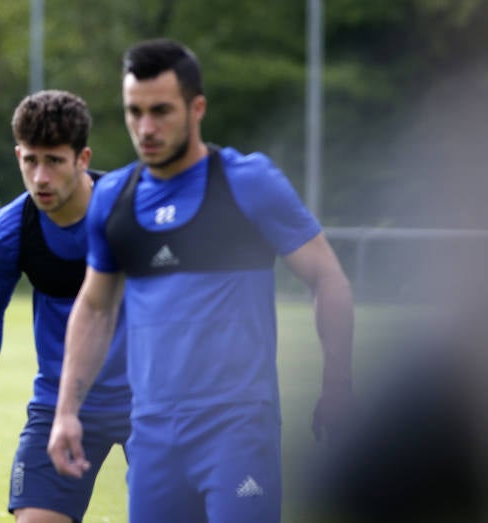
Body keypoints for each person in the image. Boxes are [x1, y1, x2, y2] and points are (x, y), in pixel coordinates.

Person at [47, 38, 355, 523]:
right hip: (150, 436)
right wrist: (67, 410)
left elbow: (327, 277)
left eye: (161, 111)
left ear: (197, 108)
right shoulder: (112, 199)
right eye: (134, 112)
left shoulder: (248, 183)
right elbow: (96, 308)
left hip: (238, 429)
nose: (145, 128)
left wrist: (338, 384)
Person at [0, 90, 130, 523]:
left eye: (54, 161)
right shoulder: (9, 230)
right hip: (59, 400)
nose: (40, 176)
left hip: (149, 401)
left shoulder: (128, 211)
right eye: (30, 160)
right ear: (18, 154)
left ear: (82, 157)